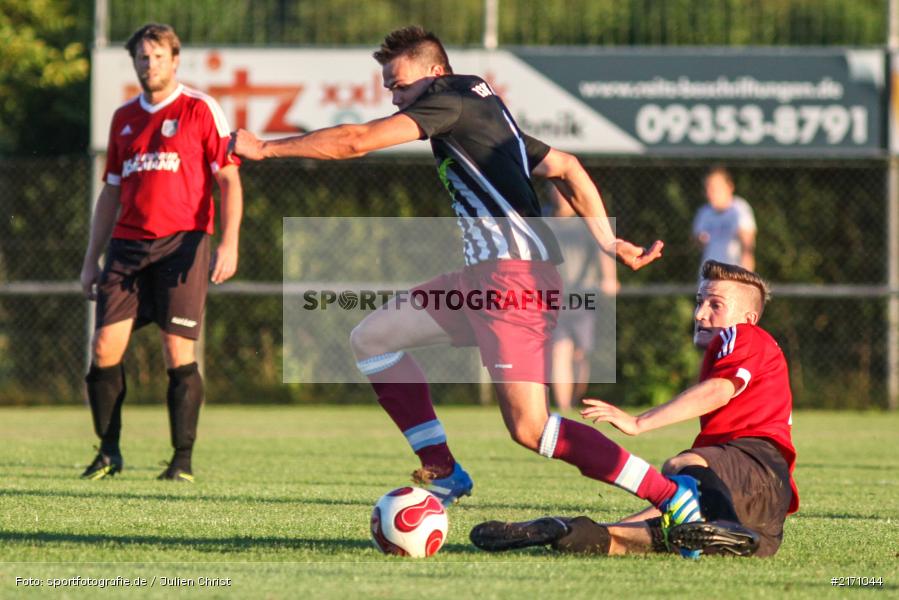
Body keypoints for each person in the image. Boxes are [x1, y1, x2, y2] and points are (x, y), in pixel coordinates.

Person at [232, 25, 709, 545]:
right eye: (389, 88)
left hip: (514, 280)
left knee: (530, 429)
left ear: (435, 73)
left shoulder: (452, 99)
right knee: (372, 338)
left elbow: (355, 141)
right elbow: (566, 167)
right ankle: (443, 470)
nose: (394, 96)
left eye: (400, 84)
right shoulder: (480, 109)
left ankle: (669, 495)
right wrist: (609, 240)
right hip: (485, 279)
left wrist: (265, 149)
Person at [470, 260, 798, 558]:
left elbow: (719, 390)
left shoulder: (744, 334)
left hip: (757, 470)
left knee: (682, 464)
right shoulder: (739, 342)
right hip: (763, 523)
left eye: (715, 304)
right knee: (623, 535)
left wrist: (640, 422)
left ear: (748, 317)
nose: (699, 314)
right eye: (700, 303)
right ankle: (558, 529)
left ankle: (724, 523)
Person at [79, 23, 243, 482]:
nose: (148, 64)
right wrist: (91, 258)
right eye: (141, 58)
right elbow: (110, 192)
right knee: (104, 348)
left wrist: (228, 242)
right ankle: (109, 452)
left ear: (174, 60)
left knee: (177, 352)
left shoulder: (199, 109)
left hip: (182, 244)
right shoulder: (123, 118)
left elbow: (228, 179)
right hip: (127, 248)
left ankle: (182, 460)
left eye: (157, 56)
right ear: (133, 63)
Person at [544, 185, 618, 411]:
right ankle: (565, 408)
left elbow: (604, 250)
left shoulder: (585, 221)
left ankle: (575, 399)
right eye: (554, 189)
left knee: (579, 354)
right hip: (555, 297)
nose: (559, 194)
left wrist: (610, 278)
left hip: (583, 296)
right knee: (559, 349)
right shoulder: (543, 220)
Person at [693, 166, 756, 272]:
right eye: (707, 187)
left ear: (729, 187)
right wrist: (699, 240)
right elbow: (696, 242)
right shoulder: (704, 212)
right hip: (709, 276)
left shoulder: (739, 209)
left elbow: (748, 247)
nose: (709, 192)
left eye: (714, 188)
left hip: (732, 276)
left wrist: (745, 277)